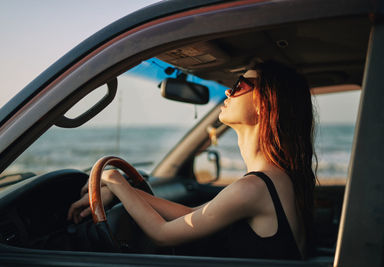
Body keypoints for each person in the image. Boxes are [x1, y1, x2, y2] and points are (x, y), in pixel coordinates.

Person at [67, 60, 316, 260]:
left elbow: (162, 235)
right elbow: (191, 214)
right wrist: (123, 189)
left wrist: (113, 178)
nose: (229, 90)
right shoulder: (278, 178)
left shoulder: (253, 188)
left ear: (264, 104)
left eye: (241, 85)